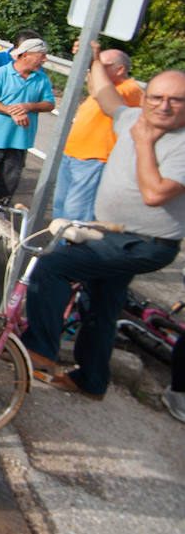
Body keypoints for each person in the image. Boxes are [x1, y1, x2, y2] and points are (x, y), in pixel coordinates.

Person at [22, 50, 185, 400]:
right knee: (99, 307)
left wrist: (144, 144)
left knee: (53, 268)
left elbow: (155, 193)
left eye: (176, 100)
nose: (164, 106)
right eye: (157, 97)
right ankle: (91, 380)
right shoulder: (131, 118)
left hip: (145, 243)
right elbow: (103, 91)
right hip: (112, 234)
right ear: (147, 96)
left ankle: (38, 353)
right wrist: (94, 56)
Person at [53, 48, 141, 221]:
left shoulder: (130, 89)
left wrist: (95, 59)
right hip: (73, 155)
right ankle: (59, 246)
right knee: (60, 207)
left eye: (102, 66)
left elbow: (101, 93)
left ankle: (72, 247)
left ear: (120, 69)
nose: (95, 69)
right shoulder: (107, 87)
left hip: (95, 159)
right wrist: (89, 59)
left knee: (77, 213)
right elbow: (95, 89)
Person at [0, 37, 55, 204]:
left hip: (19, 142)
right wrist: (11, 111)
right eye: (41, 55)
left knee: (5, 189)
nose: (44, 59)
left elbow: (49, 104)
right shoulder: (0, 74)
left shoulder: (41, 79)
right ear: (25, 55)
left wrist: (28, 106)